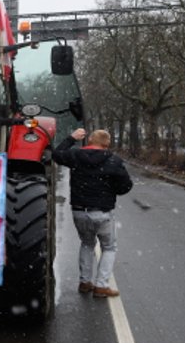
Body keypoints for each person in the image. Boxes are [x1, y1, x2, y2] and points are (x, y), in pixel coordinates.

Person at [53, 128, 133, 298]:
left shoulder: (75, 156)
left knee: (87, 244)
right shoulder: (113, 161)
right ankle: (101, 286)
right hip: (102, 213)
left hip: (79, 211)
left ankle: (85, 282)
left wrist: (71, 137)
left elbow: (56, 154)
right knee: (109, 247)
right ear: (107, 143)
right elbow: (126, 186)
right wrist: (111, 189)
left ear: (89, 141)